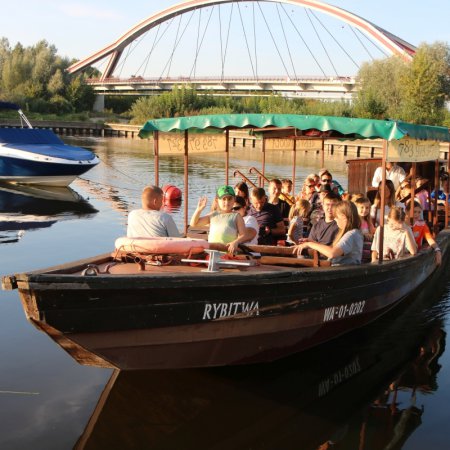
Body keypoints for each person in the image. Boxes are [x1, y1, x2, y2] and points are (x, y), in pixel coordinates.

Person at [294, 201, 363, 266]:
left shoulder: (352, 234)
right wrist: (313, 242)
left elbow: (332, 253)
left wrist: (310, 244)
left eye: (336, 217)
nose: (335, 220)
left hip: (341, 273)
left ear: (344, 217)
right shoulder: (351, 233)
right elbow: (333, 249)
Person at [190, 185, 250, 254]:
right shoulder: (213, 215)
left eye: (230, 199)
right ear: (217, 200)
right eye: (223, 199)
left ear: (234, 199)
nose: (227, 202)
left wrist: (235, 242)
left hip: (227, 253)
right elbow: (193, 224)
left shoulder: (236, 216)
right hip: (211, 252)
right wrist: (199, 210)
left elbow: (243, 235)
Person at [354, 196, 376, 263]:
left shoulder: (368, 222)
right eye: (362, 207)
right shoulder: (355, 222)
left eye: (367, 208)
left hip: (367, 251)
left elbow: (373, 233)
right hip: (357, 251)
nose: (364, 210)